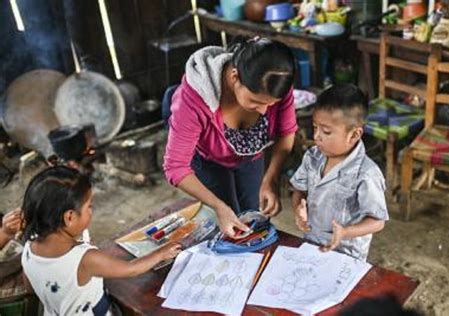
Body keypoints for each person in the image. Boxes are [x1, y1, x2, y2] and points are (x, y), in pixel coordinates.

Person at [163, 37, 297, 238]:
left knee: (252, 217)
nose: (263, 110)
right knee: (227, 220)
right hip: (209, 161)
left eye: (271, 104)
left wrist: (271, 179)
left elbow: (286, 132)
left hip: (251, 158)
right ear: (234, 76)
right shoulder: (193, 98)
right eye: (255, 101)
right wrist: (218, 207)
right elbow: (176, 167)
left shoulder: (275, 85)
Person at [21, 166, 181, 315]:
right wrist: (161, 253)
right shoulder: (84, 258)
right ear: (69, 217)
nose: (91, 211)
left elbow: (30, 288)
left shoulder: (28, 248)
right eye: (89, 206)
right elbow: (130, 269)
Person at [290, 84, 388, 261]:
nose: (317, 136)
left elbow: (377, 221)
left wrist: (345, 232)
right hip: (312, 242)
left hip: (346, 254)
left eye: (326, 131)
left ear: (354, 135)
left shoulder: (367, 174)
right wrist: (299, 208)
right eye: (315, 128)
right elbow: (300, 189)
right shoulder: (312, 157)